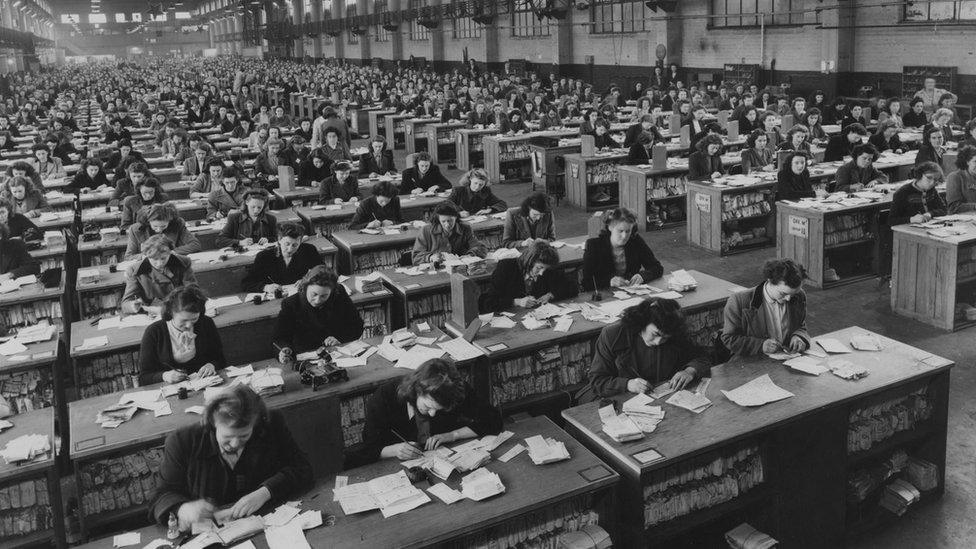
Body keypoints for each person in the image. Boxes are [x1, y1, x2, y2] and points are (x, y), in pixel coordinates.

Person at [150, 384, 312, 531]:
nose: (235, 444)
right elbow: (161, 497)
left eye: (243, 436)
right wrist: (183, 508)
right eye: (227, 437)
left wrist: (266, 491)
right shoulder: (183, 441)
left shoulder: (271, 424)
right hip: (210, 533)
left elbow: (302, 468)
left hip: (267, 524)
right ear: (212, 423)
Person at [348, 358, 502, 467]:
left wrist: (452, 435)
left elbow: (493, 420)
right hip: (397, 468)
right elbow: (368, 448)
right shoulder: (385, 398)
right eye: (428, 407)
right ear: (417, 390)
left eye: (440, 409)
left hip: (442, 463)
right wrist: (395, 450)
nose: (433, 414)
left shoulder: (454, 390)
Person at [576, 298, 711, 403]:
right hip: (617, 396)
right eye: (656, 334)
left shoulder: (674, 331)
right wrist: (627, 384)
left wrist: (689, 371)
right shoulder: (613, 334)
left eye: (665, 338)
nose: (658, 342)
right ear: (643, 322)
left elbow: (702, 357)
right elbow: (597, 381)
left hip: (659, 398)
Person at [138, 285, 226, 386]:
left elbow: (221, 359)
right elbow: (144, 378)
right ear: (170, 312)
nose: (189, 325)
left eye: (194, 319)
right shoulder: (154, 332)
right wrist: (164, 376)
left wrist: (212, 365)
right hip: (171, 391)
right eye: (183, 320)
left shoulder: (206, 323)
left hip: (205, 385)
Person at [721, 258, 810, 357]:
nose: (788, 299)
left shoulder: (799, 296)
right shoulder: (739, 301)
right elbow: (729, 338)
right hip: (753, 359)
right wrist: (760, 345)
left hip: (786, 357)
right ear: (770, 281)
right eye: (783, 293)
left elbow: (801, 326)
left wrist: (798, 336)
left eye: (793, 294)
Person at [272, 265, 364, 359]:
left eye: (324, 296)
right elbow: (279, 338)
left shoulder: (339, 293)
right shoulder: (291, 304)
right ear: (305, 287)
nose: (317, 300)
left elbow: (357, 325)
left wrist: (340, 339)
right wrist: (284, 350)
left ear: (332, 291)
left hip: (337, 353)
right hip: (306, 357)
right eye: (314, 294)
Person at [479, 240, 578, 313]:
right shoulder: (507, 267)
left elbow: (573, 287)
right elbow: (487, 302)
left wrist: (550, 295)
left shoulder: (548, 268)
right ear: (530, 261)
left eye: (545, 269)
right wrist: (516, 302)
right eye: (539, 268)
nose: (542, 273)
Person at [582, 207, 664, 290]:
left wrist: (643, 275)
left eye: (628, 231)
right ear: (610, 227)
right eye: (620, 231)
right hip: (605, 295)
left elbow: (657, 268)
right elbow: (586, 283)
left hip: (630, 293)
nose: (624, 236)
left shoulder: (635, 241)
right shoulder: (594, 246)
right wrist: (609, 281)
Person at [121, 234, 197, 315]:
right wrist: (132, 306)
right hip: (152, 313)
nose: (159, 263)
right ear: (146, 255)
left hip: (181, 310)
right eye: (155, 259)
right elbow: (126, 303)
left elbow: (193, 290)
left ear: (171, 253)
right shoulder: (134, 271)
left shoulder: (183, 263)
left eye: (163, 258)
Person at [241, 222, 321, 292]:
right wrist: (266, 287)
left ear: (300, 241)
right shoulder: (264, 256)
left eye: (295, 245)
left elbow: (323, 272)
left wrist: (308, 280)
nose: (290, 249)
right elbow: (246, 283)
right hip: (272, 299)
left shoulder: (309, 250)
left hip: (299, 294)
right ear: (279, 240)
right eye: (287, 244)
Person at [412, 202, 487, 265]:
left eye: (450, 221)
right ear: (438, 219)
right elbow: (416, 257)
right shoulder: (426, 231)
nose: (447, 225)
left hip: (459, 268)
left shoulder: (465, 229)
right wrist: (430, 257)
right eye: (443, 221)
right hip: (436, 270)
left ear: (456, 218)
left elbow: (481, 248)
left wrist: (470, 255)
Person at [124, 203, 201, 260]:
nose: (159, 230)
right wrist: (143, 256)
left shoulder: (177, 224)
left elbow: (195, 245)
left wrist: (172, 252)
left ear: (169, 221)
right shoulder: (135, 230)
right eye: (155, 226)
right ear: (148, 221)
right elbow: (128, 256)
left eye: (163, 226)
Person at [946, 145, 976, 214]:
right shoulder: (955, 177)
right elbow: (953, 207)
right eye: (975, 161)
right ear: (967, 162)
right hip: (964, 221)